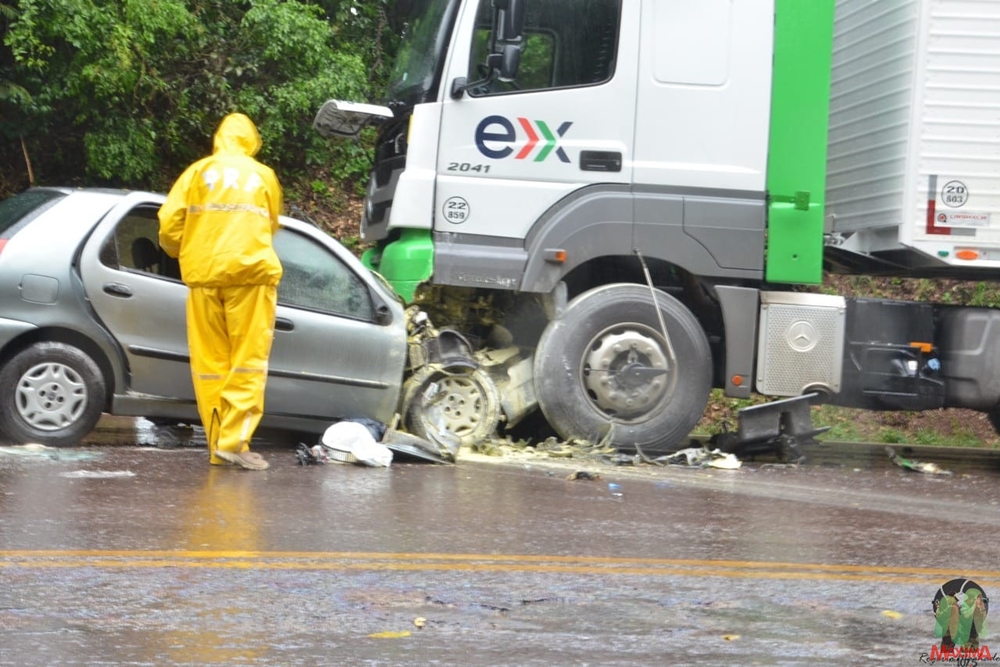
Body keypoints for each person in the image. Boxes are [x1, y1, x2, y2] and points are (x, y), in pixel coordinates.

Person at [158, 112, 283, 470]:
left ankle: (219, 447)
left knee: (210, 367)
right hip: (250, 276)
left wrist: (190, 247)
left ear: (219, 138)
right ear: (251, 142)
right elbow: (270, 223)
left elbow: (168, 225)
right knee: (247, 362)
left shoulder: (197, 172)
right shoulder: (262, 176)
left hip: (204, 278)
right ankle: (233, 442)